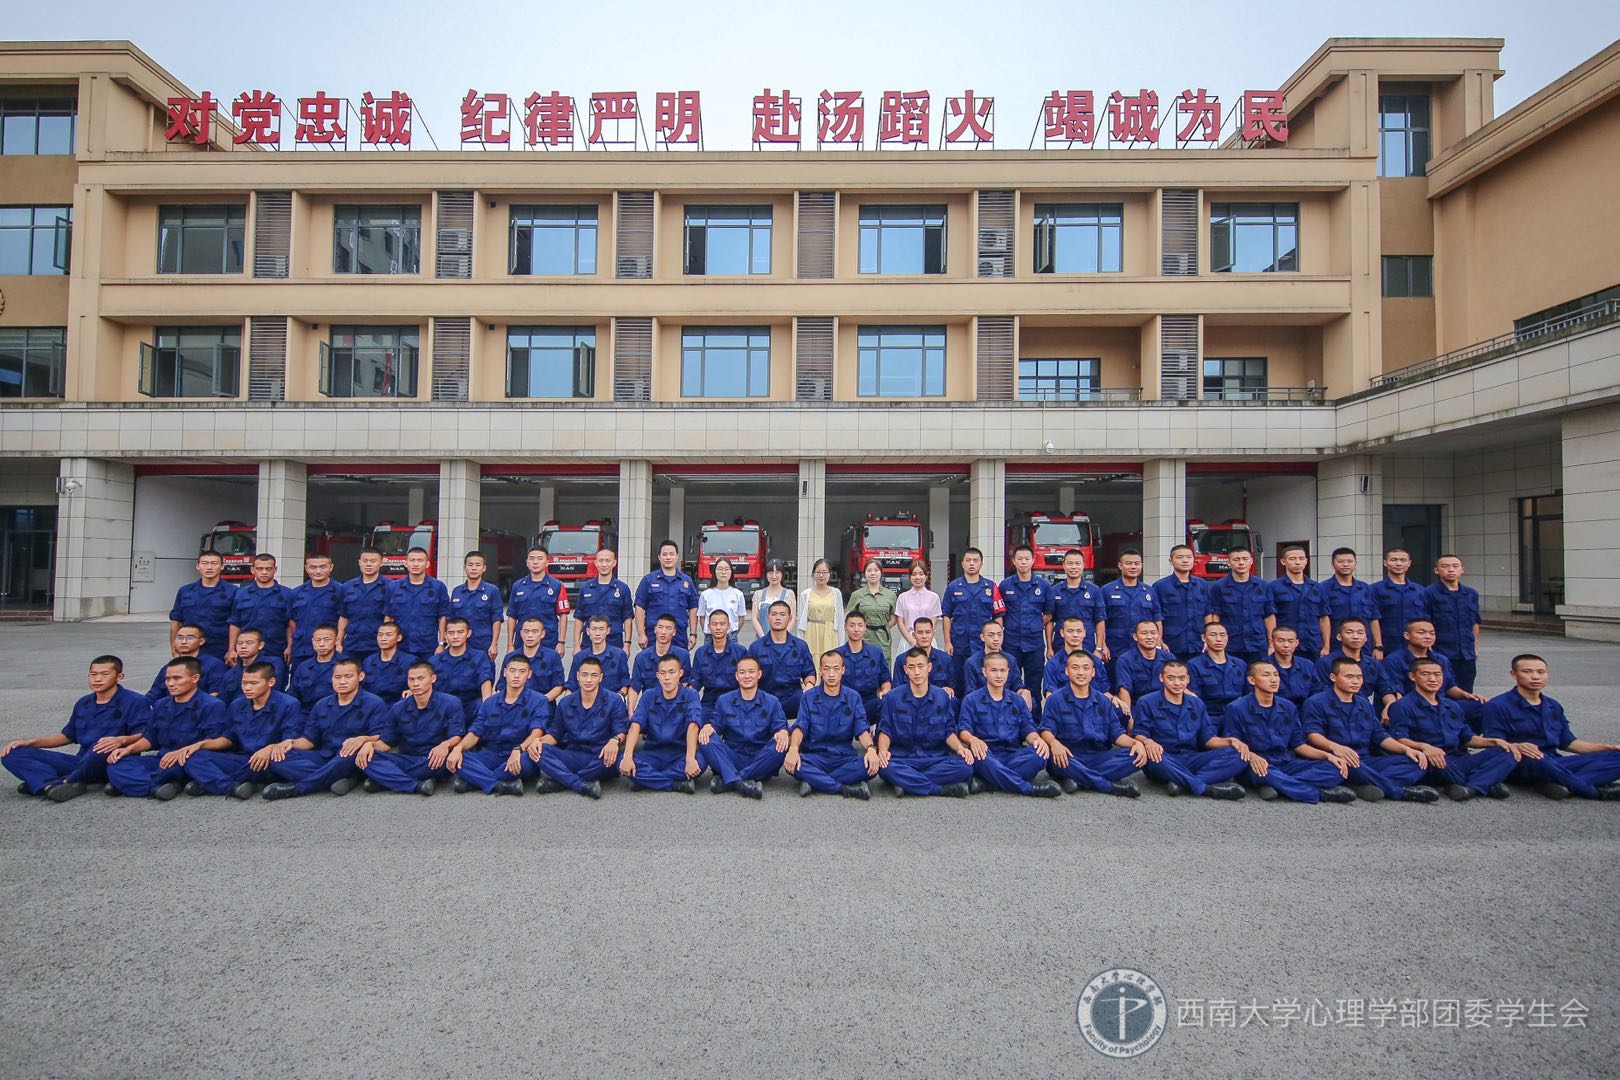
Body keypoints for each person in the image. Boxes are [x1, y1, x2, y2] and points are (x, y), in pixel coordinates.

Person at [3, 654, 148, 801]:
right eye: (93, 674)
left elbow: (146, 735)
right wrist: (30, 742)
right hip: (81, 761)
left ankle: (62, 781)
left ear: (119, 677)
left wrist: (120, 740)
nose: (97, 679)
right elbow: (67, 736)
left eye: (104, 674)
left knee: (102, 746)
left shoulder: (136, 701)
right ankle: (51, 785)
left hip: (111, 761)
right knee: (12, 753)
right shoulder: (83, 703)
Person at [1480, 653, 1620, 800]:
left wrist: (1609, 748)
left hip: (1556, 762)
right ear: (1514, 674)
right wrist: (1517, 746)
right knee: (1538, 758)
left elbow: (1569, 743)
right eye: (1527, 672)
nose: (1535, 677)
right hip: (1523, 763)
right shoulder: (1497, 705)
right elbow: (1494, 745)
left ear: (1547, 675)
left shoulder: (1553, 706)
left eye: (1541, 672)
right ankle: (1594, 792)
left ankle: (1558, 784)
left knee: (1616, 756)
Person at [1303, 658, 1439, 802]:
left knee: (1416, 762)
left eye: (1359, 677)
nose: (1355, 681)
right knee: (1346, 764)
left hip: (1365, 760)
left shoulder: (1364, 704)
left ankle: (1361, 783)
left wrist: (1407, 750)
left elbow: (1380, 736)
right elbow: (1312, 734)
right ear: (1333, 677)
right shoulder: (1316, 702)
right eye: (1349, 677)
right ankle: (1398, 792)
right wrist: (1335, 747)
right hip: (1337, 758)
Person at [1219, 661, 1356, 804]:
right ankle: (1317, 794)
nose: (1273, 679)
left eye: (1276, 675)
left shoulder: (1288, 707)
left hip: (1285, 762)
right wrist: (1252, 757)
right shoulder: (1236, 708)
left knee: (1336, 768)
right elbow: (1234, 745)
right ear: (1252, 680)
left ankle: (1279, 786)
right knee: (1266, 772)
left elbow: (1299, 745)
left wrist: (1328, 756)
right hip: (1256, 763)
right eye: (1266, 675)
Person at [1387, 657, 1516, 801]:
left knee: (1508, 752)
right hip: (1431, 760)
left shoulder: (1452, 706)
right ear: (1413, 676)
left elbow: (1467, 738)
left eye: (1437, 674)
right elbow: (1398, 739)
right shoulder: (1402, 706)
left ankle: (1470, 787)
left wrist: (1494, 742)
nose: (1432, 679)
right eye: (1425, 674)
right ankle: (1484, 783)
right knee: (1434, 764)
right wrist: (1424, 747)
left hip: (1457, 759)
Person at [259, 659, 390, 800]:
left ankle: (298, 789)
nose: (342, 682)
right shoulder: (321, 704)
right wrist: (290, 743)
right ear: (332, 678)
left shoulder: (374, 703)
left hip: (351, 757)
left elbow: (381, 737)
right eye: (337, 677)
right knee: (278, 757)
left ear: (361, 676)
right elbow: (309, 740)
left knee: (351, 751)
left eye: (348, 676)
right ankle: (340, 778)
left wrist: (363, 739)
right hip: (325, 755)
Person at [104, 657, 229, 799]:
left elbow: (213, 742)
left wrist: (182, 752)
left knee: (173, 769)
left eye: (177, 678)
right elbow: (150, 739)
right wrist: (128, 749)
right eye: (167, 679)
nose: (170, 683)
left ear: (195, 678)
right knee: (116, 763)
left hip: (186, 760)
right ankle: (155, 787)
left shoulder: (212, 705)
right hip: (162, 758)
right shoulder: (161, 705)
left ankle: (131, 784)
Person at [1127, 660, 1249, 799]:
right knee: (1153, 757)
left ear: (1188, 679)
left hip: (1191, 758)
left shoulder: (1197, 703)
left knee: (1239, 755)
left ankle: (1183, 783)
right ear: (1161, 678)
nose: (1177, 683)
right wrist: (1148, 741)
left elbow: (1208, 739)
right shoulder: (1146, 702)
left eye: (1181, 678)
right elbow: (1138, 733)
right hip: (1164, 757)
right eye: (1171, 678)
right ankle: (1205, 789)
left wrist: (1230, 741)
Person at [181, 661, 303, 799]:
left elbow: (288, 742)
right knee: (193, 756)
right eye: (244, 683)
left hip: (270, 758)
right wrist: (200, 745)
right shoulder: (237, 705)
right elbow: (228, 739)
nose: (247, 688)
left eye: (254, 683)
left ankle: (210, 783)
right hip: (244, 759)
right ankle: (232, 787)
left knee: (277, 763)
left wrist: (270, 749)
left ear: (271, 682)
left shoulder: (289, 704)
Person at [1038, 650, 1144, 798]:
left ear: (1093, 672)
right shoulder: (1054, 699)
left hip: (1098, 755)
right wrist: (1054, 743)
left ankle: (1076, 779)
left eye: (1086, 668)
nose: (1081, 673)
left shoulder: (1103, 701)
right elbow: (1046, 729)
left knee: (1136, 755)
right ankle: (1108, 786)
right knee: (1051, 758)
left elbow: (1116, 735)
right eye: (1075, 668)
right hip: (1068, 754)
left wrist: (1135, 743)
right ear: (1067, 671)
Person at [956, 652, 1060, 797]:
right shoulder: (971, 700)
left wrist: (1037, 739)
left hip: (1013, 753)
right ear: (984, 672)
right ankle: (1028, 788)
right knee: (978, 757)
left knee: (1040, 754)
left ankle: (988, 782)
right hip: (987, 753)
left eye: (1002, 671)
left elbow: (1028, 729)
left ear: (1008, 672)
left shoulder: (1018, 700)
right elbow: (963, 730)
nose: (999, 675)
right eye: (993, 670)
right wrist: (973, 740)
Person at [875, 648, 972, 798]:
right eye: (911, 667)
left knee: (966, 767)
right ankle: (939, 790)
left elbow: (948, 732)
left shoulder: (942, 697)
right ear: (905, 670)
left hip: (935, 759)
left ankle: (906, 783)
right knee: (885, 767)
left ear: (929, 667)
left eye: (920, 666)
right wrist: (882, 751)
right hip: (904, 758)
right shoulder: (893, 697)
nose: (917, 672)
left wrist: (960, 748)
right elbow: (885, 730)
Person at [362, 661, 465, 796]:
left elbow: (457, 735)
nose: (415, 684)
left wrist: (445, 745)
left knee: (449, 761)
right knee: (365, 756)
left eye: (421, 678)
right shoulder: (398, 708)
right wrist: (370, 745)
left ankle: (387, 778)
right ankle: (417, 785)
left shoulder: (451, 703)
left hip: (435, 759)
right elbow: (387, 743)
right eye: (411, 679)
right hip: (407, 758)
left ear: (433, 679)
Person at [784, 650, 878, 799]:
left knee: (870, 765)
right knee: (792, 763)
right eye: (827, 669)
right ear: (820, 671)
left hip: (843, 758)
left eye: (836, 669)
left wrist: (871, 749)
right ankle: (843, 788)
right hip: (815, 756)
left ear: (843, 670)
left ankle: (815, 781)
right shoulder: (808, 697)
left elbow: (862, 728)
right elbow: (800, 726)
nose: (831, 674)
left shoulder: (853, 697)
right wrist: (794, 749)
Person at [450, 654, 548, 796]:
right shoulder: (490, 702)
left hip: (521, 752)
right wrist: (458, 748)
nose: (516, 676)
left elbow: (537, 732)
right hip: (493, 753)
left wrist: (519, 749)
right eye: (512, 671)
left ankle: (475, 780)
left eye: (522, 672)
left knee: (528, 761)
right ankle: (500, 784)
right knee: (459, 758)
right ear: (505, 672)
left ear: (529, 674)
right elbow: (475, 732)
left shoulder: (538, 700)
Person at [534, 655, 625, 798]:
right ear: (578, 676)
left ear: (601, 677)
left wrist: (615, 741)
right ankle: (579, 784)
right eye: (584, 675)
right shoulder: (566, 702)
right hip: (573, 755)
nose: (588, 680)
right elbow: (555, 735)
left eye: (593, 675)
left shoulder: (614, 701)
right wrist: (538, 741)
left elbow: (621, 731)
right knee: (540, 751)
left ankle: (561, 781)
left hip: (600, 756)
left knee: (617, 758)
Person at [695, 655, 779, 799]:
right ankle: (741, 784)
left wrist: (782, 732)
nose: (747, 676)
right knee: (706, 738)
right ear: (736, 676)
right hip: (732, 757)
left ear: (759, 674)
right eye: (742, 672)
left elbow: (780, 726)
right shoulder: (724, 700)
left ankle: (730, 780)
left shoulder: (772, 702)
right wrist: (709, 727)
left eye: (751, 672)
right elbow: (715, 725)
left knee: (782, 743)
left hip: (759, 758)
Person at [619, 653, 703, 793]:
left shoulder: (690, 695)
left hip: (680, 753)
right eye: (663, 673)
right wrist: (627, 757)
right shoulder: (649, 695)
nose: (667, 677)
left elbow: (693, 726)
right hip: (653, 752)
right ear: (657, 675)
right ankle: (675, 784)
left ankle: (645, 779)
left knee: (701, 760)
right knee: (621, 759)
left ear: (680, 673)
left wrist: (689, 759)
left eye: (672, 672)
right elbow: (635, 725)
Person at [1379, 618, 1487, 726]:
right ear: (1407, 635)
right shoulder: (1394, 660)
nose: (1428, 636)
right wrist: (1392, 706)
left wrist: (1467, 695)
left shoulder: (1441, 659)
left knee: (1483, 707)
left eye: (1432, 633)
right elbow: (1393, 692)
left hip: (1441, 704)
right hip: (1414, 707)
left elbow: (1449, 686)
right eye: (1421, 633)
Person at [941, 547, 1005, 694]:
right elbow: (946, 616)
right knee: (958, 682)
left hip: (983, 645)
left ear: (981, 564)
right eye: (968, 560)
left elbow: (998, 615)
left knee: (982, 681)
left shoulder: (991, 587)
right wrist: (947, 642)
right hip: (959, 644)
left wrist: (997, 640)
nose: (971, 564)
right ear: (962, 563)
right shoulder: (953, 587)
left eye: (975, 561)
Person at [998, 544, 1052, 707]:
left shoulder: (1043, 586)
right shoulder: (1005, 586)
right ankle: (1011, 716)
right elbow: (999, 613)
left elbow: (1049, 614)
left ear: (1033, 560)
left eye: (1027, 559)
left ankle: (1035, 719)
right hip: (1011, 643)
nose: (1023, 562)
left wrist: (1035, 624)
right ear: (1013, 561)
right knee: (1010, 684)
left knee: (1034, 686)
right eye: (1020, 559)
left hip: (1035, 644)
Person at [748, 601, 816, 720]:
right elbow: (749, 675)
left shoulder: (800, 646)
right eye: (774, 614)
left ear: (790, 618)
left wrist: (809, 686)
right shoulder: (756, 647)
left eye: (782, 614)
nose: (778, 618)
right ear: (768, 617)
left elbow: (809, 672)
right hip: (765, 698)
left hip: (793, 698)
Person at [1207, 548, 1274, 665]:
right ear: (1229, 562)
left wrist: (1271, 643)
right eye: (1236, 559)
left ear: (1251, 561)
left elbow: (1269, 616)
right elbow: (1216, 616)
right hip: (1231, 644)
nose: (1241, 563)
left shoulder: (1263, 586)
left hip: (1257, 643)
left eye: (1245, 559)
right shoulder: (1219, 587)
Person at [1426, 554, 1482, 693]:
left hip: (1466, 654)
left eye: (1455, 566)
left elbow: (1475, 621)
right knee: (1441, 692)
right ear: (1436, 570)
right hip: (1441, 652)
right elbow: (1425, 622)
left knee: (1466, 692)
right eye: (1445, 566)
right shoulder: (1428, 593)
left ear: (1462, 569)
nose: (1451, 570)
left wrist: (1475, 646)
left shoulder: (1471, 594)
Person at [1099, 549, 1161, 672]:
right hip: (1115, 650)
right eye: (1128, 563)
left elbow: (1157, 618)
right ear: (1120, 565)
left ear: (1141, 566)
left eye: (1137, 564)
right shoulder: (1107, 590)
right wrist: (1102, 645)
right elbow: (1101, 620)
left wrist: (1158, 643)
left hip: (1142, 650)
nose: (1133, 567)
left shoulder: (1149, 591)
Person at [227, 552, 294, 665]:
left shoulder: (287, 594)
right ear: (252, 570)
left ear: (275, 569)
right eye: (259, 569)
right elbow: (235, 623)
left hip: (276, 650)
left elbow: (289, 624)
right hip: (247, 651)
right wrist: (231, 649)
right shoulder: (241, 594)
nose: (264, 572)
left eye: (268, 569)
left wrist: (290, 646)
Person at [169, 551, 235, 662]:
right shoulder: (185, 591)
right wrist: (174, 647)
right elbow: (176, 621)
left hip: (220, 649)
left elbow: (236, 624)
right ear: (198, 566)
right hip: (190, 648)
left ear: (222, 566)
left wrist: (232, 649)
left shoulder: (233, 592)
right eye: (205, 563)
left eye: (214, 563)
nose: (209, 567)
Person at [430, 616, 495, 727]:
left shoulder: (479, 657)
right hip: (444, 709)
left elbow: (485, 681)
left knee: (483, 705)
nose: (455, 636)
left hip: (469, 707)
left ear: (468, 633)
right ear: (445, 635)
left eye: (460, 632)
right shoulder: (435, 661)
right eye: (451, 633)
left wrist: (486, 704)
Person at [1316, 547, 1382, 657]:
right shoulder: (1322, 588)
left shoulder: (1366, 588)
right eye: (1340, 561)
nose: (1345, 565)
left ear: (1355, 564)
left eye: (1349, 561)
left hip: (1364, 646)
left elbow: (1374, 618)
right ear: (1332, 564)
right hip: (1335, 645)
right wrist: (1326, 646)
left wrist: (1378, 646)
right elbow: (1322, 619)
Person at [635, 540, 700, 651]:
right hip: (654, 635)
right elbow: (639, 607)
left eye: (671, 554)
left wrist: (693, 634)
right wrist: (641, 634)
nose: (668, 558)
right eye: (664, 554)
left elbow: (693, 608)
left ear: (677, 556)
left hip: (679, 635)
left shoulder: (686, 581)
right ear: (659, 557)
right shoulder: (648, 580)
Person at [387, 547, 450, 659]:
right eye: (412, 560)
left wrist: (441, 643)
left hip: (428, 647)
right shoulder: (393, 587)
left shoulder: (438, 587)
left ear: (427, 564)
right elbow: (388, 617)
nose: (415, 564)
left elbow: (442, 618)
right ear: (406, 563)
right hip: (400, 647)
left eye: (420, 560)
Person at [1152, 544, 1213, 660]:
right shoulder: (1160, 586)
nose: (1185, 560)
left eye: (1189, 557)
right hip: (1171, 645)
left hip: (1198, 644)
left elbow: (1207, 614)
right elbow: (1155, 617)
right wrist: (1159, 641)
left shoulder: (1202, 585)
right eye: (1180, 557)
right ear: (1171, 561)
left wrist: (1209, 639)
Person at [507, 547, 570, 656]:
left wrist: (561, 642)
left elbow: (563, 615)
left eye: (540, 559)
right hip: (522, 641)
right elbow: (512, 616)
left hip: (548, 641)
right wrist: (509, 644)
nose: (535, 562)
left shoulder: (557, 586)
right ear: (527, 562)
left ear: (547, 562)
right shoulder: (518, 586)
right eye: (532, 558)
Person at [833, 610, 892, 728]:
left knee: (887, 702)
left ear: (865, 628)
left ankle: (879, 736)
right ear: (845, 627)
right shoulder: (837, 655)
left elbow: (885, 679)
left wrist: (885, 690)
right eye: (852, 625)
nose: (856, 629)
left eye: (860, 625)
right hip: (844, 704)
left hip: (869, 703)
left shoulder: (876, 653)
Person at [1046, 549, 1106, 662]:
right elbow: (1050, 621)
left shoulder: (1094, 591)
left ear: (1083, 565)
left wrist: (1099, 648)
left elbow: (1100, 620)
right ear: (1064, 566)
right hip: (1060, 644)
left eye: (1078, 563)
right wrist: (1049, 647)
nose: (1074, 567)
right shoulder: (1054, 591)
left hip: (1087, 644)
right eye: (1070, 563)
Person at [1315, 618, 1388, 708]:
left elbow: (1385, 687)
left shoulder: (1373, 663)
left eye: (1360, 633)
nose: (1355, 636)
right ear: (1339, 637)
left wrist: (1389, 705)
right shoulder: (1325, 663)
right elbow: (1321, 693)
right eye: (1349, 632)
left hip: (1365, 709)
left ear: (1366, 638)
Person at [689, 609, 748, 721]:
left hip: (735, 702)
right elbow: (695, 683)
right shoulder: (701, 652)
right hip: (709, 703)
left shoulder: (740, 652)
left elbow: (747, 682)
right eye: (714, 624)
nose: (718, 628)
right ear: (709, 627)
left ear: (728, 626)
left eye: (722, 624)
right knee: (695, 722)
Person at [963, 620, 1034, 712]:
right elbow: (971, 691)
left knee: (1030, 700)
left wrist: (1024, 691)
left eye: (999, 634)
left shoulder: (1010, 659)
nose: (996, 639)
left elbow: (1016, 684)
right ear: (982, 637)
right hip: (982, 704)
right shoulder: (972, 663)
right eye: (991, 635)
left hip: (1008, 702)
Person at [144, 623, 226, 702]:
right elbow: (153, 695)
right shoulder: (168, 667)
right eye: (180, 638)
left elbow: (215, 693)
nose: (183, 641)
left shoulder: (214, 665)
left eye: (190, 638)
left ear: (201, 641)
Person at [288, 552, 342, 670]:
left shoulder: (341, 591)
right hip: (301, 648)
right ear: (306, 568)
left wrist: (338, 642)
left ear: (331, 567)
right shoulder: (296, 593)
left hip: (330, 650)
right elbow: (291, 620)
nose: (318, 571)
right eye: (313, 567)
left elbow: (344, 620)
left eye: (322, 567)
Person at [1269, 543, 1324, 658]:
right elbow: (1270, 617)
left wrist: (1326, 646)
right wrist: (1271, 644)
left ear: (1306, 561)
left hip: (1312, 642)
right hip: (1285, 643)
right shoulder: (1273, 587)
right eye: (1292, 559)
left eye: (1301, 558)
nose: (1298, 562)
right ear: (1283, 562)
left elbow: (1324, 617)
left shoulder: (1317, 587)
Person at [1185, 621, 1248, 722]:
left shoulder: (1240, 664)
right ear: (1203, 638)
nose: (1218, 639)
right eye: (1213, 635)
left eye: (1222, 635)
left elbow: (1248, 694)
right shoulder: (1194, 665)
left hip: (1237, 716)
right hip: (1210, 716)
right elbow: (1195, 697)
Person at [337, 547, 391, 663]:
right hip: (352, 643)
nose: (368, 564)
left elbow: (390, 617)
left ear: (381, 563)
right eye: (365, 561)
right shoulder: (347, 587)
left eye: (373, 561)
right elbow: (343, 616)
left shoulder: (390, 586)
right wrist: (339, 642)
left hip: (377, 643)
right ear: (359, 562)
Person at [574, 547, 634, 650]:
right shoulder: (586, 588)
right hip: (589, 644)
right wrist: (576, 645)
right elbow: (579, 618)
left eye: (608, 561)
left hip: (614, 643)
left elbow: (627, 617)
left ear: (614, 563)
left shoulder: (623, 588)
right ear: (596, 563)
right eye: (601, 561)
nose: (604, 564)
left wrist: (627, 644)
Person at [451, 550, 506, 662]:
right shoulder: (457, 591)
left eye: (478, 565)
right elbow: (451, 619)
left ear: (484, 568)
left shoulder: (492, 591)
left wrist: (494, 644)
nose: (474, 568)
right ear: (465, 567)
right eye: (470, 565)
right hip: (460, 645)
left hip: (483, 645)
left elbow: (496, 619)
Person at [1372, 548, 1430, 652]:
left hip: (1415, 645)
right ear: (1385, 563)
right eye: (1393, 560)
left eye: (1403, 560)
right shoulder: (1374, 589)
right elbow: (1372, 619)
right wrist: (1378, 646)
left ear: (1409, 563)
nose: (1398, 564)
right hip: (1387, 645)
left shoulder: (1420, 590)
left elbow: (1426, 618)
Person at [1041, 616, 1112, 699]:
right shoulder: (1053, 664)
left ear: (1084, 633)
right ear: (1062, 633)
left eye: (1079, 631)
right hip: (1064, 705)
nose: (1075, 635)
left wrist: (1114, 700)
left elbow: (1104, 692)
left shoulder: (1095, 662)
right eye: (1070, 631)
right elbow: (1050, 695)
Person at [1113, 620, 1175, 714]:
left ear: (1159, 635)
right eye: (1144, 633)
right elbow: (1124, 690)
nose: (1149, 637)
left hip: (1165, 707)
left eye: (1153, 633)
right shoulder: (1125, 660)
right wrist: (1130, 718)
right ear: (1135, 637)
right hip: (1138, 708)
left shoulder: (1169, 658)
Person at [846, 559, 899, 665]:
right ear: (865, 574)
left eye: (876, 570)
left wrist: (883, 627)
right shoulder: (857, 595)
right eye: (869, 570)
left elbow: (894, 618)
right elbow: (850, 617)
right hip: (863, 637)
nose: (873, 573)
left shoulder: (890, 595)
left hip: (883, 638)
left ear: (881, 573)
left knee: (883, 666)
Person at [503, 616, 567, 701]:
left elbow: (559, 686)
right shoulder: (510, 657)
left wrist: (541, 701)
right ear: (521, 633)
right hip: (515, 703)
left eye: (535, 631)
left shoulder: (552, 657)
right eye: (526, 631)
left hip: (543, 703)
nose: (530, 635)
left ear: (542, 634)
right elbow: (502, 686)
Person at [565, 615, 631, 697]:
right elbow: (571, 686)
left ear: (608, 631)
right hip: (585, 701)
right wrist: (565, 701)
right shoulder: (579, 657)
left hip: (611, 702)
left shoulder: (619, 655)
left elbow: (625, 683)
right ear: (588, 631)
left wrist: (619, 697)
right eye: (594, 629)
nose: (597, 633)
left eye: (601, 629)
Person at [798, 558, 846, 660]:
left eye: (824, 572)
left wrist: (841, 645)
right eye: (818, 572)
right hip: (811, 634)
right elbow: (801, 622)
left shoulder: (836, 593)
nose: (821, 575)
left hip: (830, 634)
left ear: (830, 574)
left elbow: (840, 620)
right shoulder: (805, 594)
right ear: (813, 574)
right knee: (811, 663)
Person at [894, 616, 954, 697]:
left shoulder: (945, 659)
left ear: (933, 634)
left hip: (937, 701)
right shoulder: (901, 659)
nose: (924, 636)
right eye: (920, 633)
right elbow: (896, 689)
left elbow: (952, 686)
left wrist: (949, 689)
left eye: (928, 632)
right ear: (913, 635)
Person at [217, 628, 285, 700]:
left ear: (260, 645)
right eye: (239, 643)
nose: (243, 646)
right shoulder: (229, 674)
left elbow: (274, 690)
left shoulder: (273, 663)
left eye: (249, 643)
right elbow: (223, 700)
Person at [288, 624, 342, 710]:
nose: (321, 644)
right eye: (318, 640)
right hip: (306, 713)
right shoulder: (303, 667)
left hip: (335, 712)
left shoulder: (345, 665)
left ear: (336, 641)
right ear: (312, 641)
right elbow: (293, 694)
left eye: (327, 640)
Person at [1267, 625, 1320, 711]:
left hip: (1304, 711)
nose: (1286, 645)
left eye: (1290, 641)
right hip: (1275, 711)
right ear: (1272, 642)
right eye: (1281, 641)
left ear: (1297, 643)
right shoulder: (1263, 666)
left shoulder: (1308, 665)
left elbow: (1317, 690)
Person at [892, 560, 941, 651]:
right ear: (910, 577)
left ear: (926, 576)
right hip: (908, 640)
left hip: (927, 640)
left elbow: (933, 622)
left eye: (921, 574)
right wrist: (911, 641)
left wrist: (924, 638)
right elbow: (900, 623)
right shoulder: (902, 597)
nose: (917, 577)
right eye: (914, 574)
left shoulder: (934, 597)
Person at [360, 619, 415, 700]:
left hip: (398, 703)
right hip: (372, 704)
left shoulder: (410, 661)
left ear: (399, 638)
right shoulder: (368, 661)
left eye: (388, 635)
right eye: (380, 635)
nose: (383, 639)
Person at [697, 557, 746, 644]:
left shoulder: (738, 594)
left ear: (731, 572)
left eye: (727, 569)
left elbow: (741, 618)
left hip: (731, 637)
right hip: (710, 637)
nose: (723, 572)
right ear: (715, 572)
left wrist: (732, 633)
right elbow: (702, 617)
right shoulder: (706, 594)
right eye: (720, 569)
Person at [750, 559, 797, 641]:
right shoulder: (758, 594)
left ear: (782, 574)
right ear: (766, 574)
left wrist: (782, 636)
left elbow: (792, 619)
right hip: (762, 640)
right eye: (770, 573)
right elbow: (754, 618)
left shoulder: (789, 594)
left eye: (777, 572)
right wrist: (763, 638)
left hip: (783, 640)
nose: (774, 576)